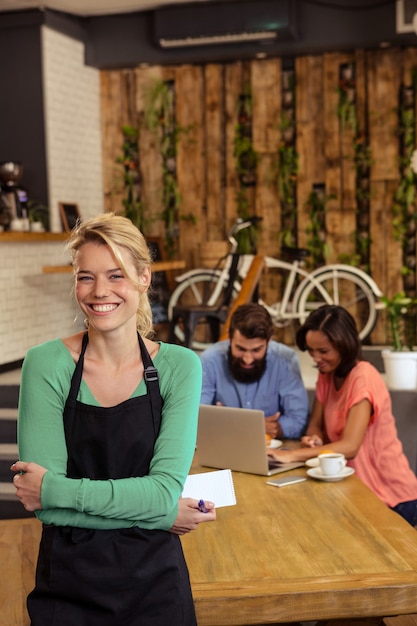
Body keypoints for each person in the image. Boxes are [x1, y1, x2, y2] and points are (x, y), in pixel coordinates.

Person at [10, 212, 215, 625]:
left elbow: (48, 495)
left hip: (156, 586)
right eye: (86, 277)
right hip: (68, 587)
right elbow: (45, 510)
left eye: (116, 275)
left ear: (144, 277)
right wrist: (161, 512)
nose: (99, 291)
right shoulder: (45, 364)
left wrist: (54, 489)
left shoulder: (181, 367)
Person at [268, 304, 417, 527]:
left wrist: (291, 455)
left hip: (391, 496)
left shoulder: (363, 377)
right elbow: (314, 426)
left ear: (344, 346)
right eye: (311, 350)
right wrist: (314, 438)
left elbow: (350, 446)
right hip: (353, 488)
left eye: (323, 351)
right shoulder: (327, 374)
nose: (316, 358)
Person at [200, 303, 309, 440]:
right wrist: (253, 427)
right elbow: (195, 419)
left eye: (256, 350)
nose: (247, 359)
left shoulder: (286, 360)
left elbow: (299, 421)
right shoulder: (209, 360)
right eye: (240, 349)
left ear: (269, 341)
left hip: (274, 453)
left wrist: (277, 428)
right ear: (229, 337)